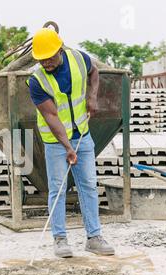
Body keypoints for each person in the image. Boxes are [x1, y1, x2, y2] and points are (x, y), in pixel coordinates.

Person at [27, 28, 115, 258]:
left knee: (88, 185)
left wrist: (92, 97)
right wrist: (67, 147)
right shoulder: (36, 81)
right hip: (56, 142)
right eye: (41, 59)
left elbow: (94, 72)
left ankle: (94, 238)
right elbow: (52, 117)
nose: (45, 62)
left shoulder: (78, 58)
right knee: (58, 189)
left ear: (60, 49)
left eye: (49, 57)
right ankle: (60, 239)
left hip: (83, 136)